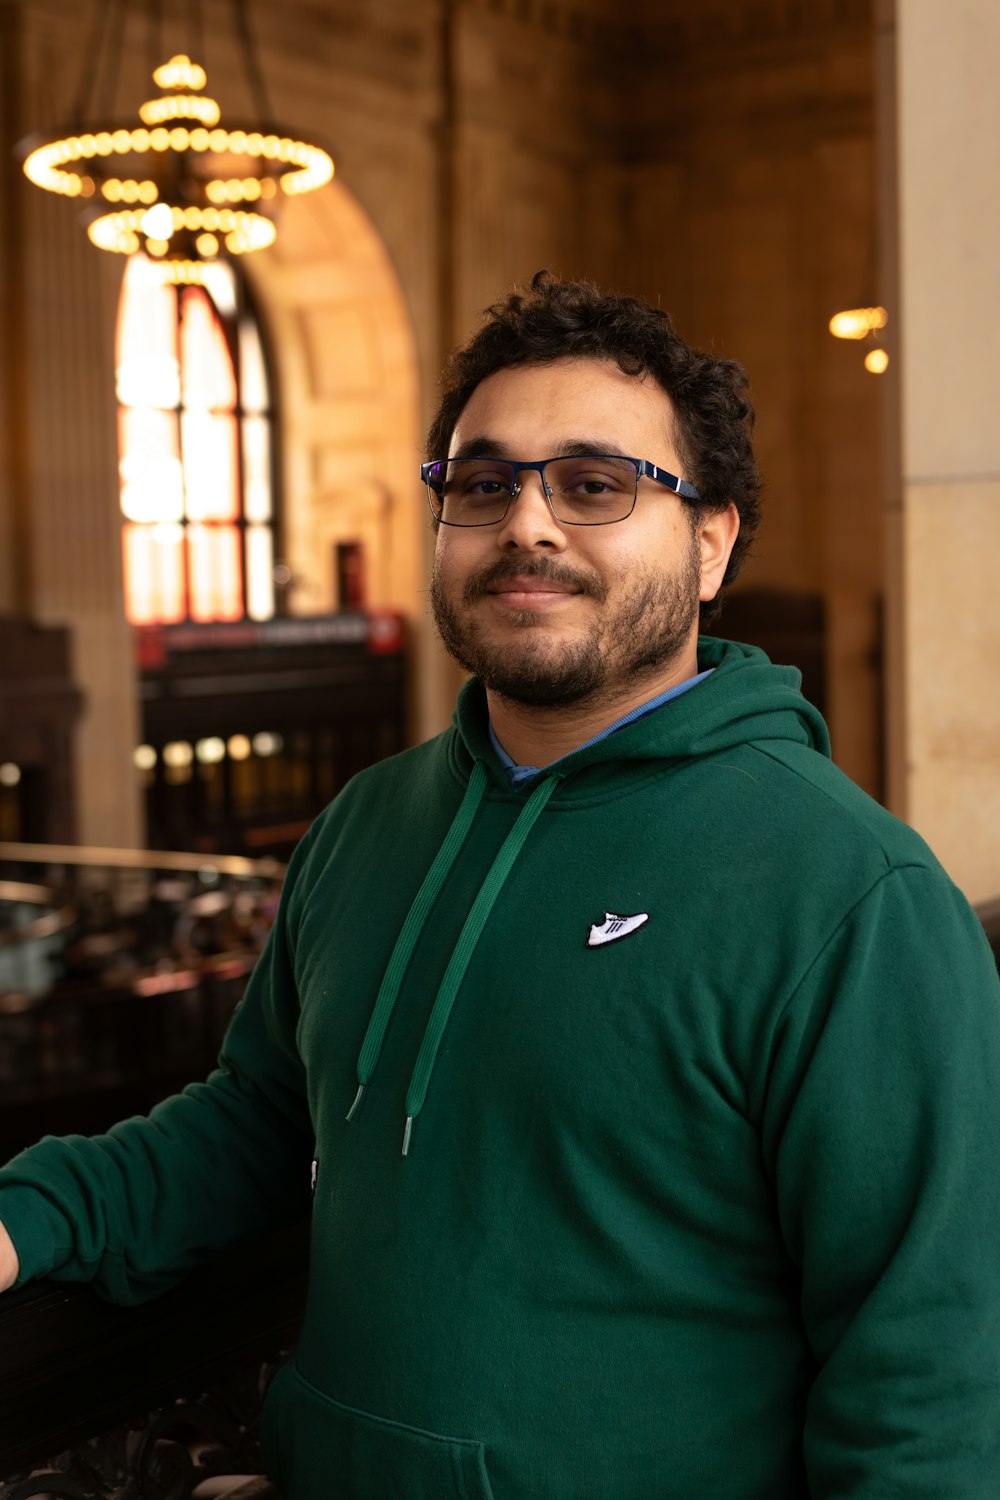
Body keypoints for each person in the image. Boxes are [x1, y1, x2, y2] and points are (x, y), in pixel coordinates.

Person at [2, 271, 999, 1498]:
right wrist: (25, 1216)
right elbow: (262, 1123)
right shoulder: (368, 820)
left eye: (594, 484)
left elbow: (930, 1390)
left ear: (710, 541)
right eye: (484, 484)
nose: (527, 523)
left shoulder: (852, 893)